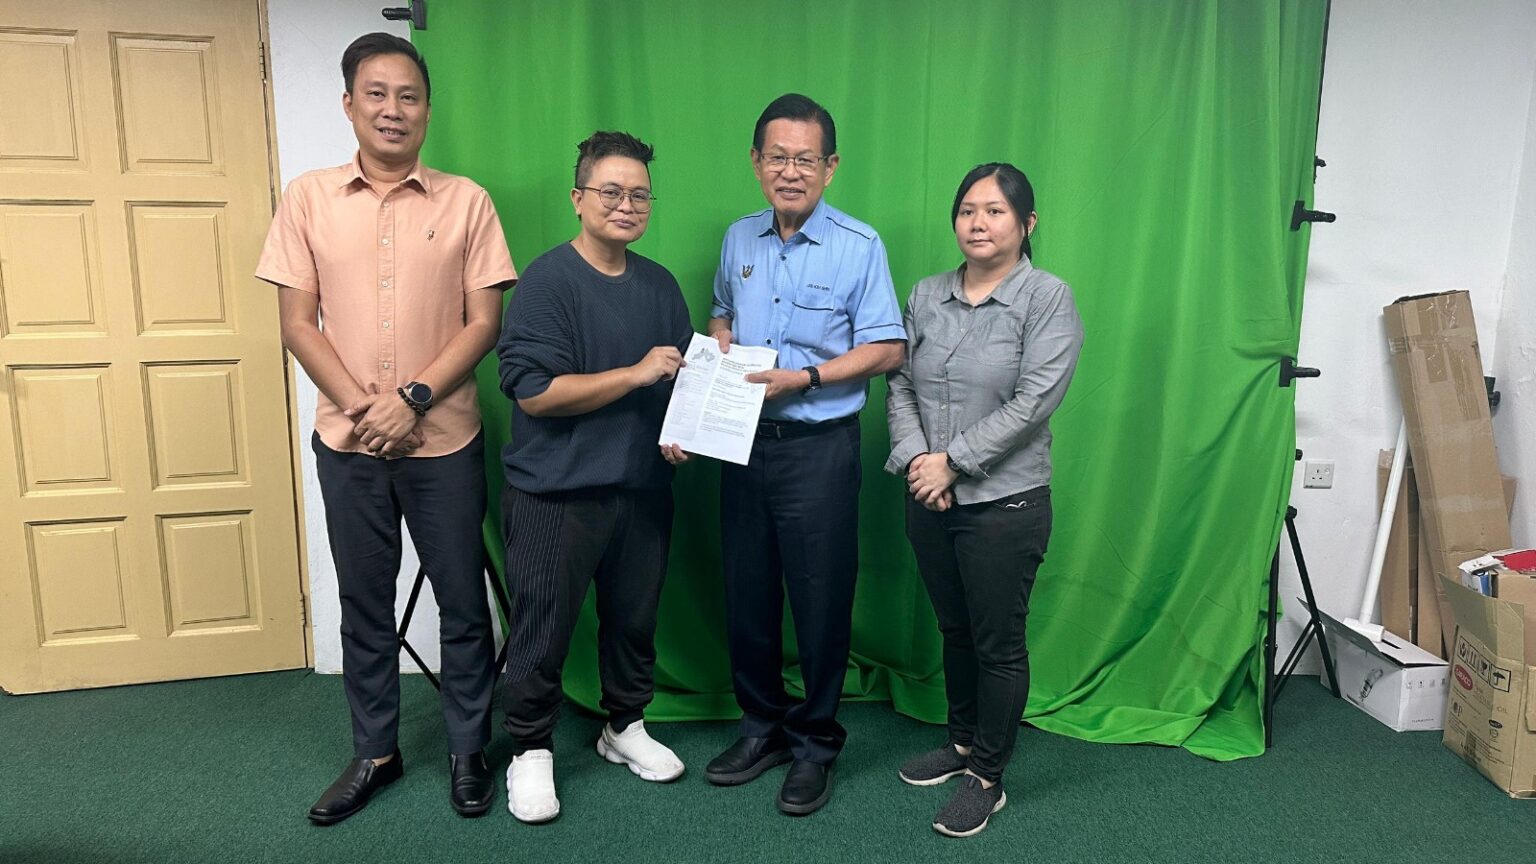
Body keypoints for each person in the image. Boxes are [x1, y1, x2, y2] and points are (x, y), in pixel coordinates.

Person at [256, 33, 517, 824]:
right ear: (349, 104)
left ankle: (469, 749)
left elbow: (484, 322)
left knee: (463, 602)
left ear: (428, 111)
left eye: (409, 96)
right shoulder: (307, 198)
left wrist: (414, 399)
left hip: (447, 441)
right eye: (376, 93)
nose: (393, 109)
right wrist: (367, 412)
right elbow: (297, 323)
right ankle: (376, 752)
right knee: (364, 603)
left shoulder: (467, 201)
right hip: (349, 445)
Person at [667, 93, 905, 816]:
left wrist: (806, 378)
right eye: (778, 157)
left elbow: (888, 347)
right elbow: (721, 311)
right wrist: (720, 341)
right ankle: (762, 728)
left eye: (806, 159)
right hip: (742, 445)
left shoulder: (859, 245)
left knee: (820, 599)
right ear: (756, 162)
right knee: (748, 594)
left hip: (819, 449)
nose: (790, 171)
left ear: (830, 167)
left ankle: (815, 746)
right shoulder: (739, 239)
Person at [496, 131, 692, 824]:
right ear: (578, 198)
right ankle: (529, 748)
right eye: (611, 191)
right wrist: (635, 373)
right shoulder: (547, 282)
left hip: (640, 487)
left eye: (640, 194)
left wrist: (684, 435)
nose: (626, 204)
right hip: (555, 492)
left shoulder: (661, 285)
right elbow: (534, 394)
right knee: (542, 626)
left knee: (634, 620)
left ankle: (624, 725)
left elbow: (679, 387)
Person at [885, 163, 1083, 837]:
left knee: (998, 644)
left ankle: (988, 777)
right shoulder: (926, 293)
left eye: (995, 211)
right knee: (955, 630)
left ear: (1027, 224)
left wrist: (953, 464)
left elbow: (1034, 401)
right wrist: (920, 461)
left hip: (1005, 503)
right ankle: (962, 742)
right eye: (968, 210)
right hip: (928, 495)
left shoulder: (1047, 297)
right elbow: (900, 384)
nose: (978, 223)